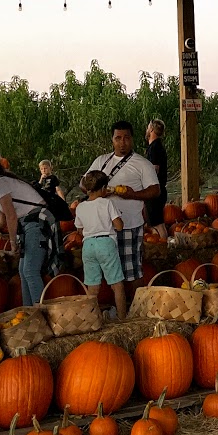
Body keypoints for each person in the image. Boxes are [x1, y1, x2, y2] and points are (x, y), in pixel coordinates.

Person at [86, 122, 162, 290]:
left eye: (126, 138)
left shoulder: (142, 163)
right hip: (102, 227)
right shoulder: (101, 161)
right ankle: (116, 303)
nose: (122, 142)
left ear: (132, 139)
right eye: (118, 138)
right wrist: (98, 192)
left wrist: (132, 194)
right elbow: (83, 184)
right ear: (112, 140)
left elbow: (155, 190)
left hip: (129, 225)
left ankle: (136, 303)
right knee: (107, 272)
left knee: (132, 270)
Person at [0, 157, 55, 307]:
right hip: (29, 223)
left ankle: (40, 312)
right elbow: (1, 222)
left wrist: (13, 242)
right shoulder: (2, 181)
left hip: (36, 221)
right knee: (23, 270)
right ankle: (29, 311)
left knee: (30, 270)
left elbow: (11, 216)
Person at [72, 170, 127, 320]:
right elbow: (119, 226)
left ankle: (92, 319)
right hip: (105, 243)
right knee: (117, 285)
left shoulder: (80, 207)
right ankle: (122, 319)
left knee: (92, 287)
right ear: (103, 188)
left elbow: (80, 230)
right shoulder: (107, 203)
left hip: (88, 245)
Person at [143, 119, 168, 198]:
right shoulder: (157, 146)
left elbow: (154, 170)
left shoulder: (154, 147)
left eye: (148, 128)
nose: (147, 130)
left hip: (154, 193)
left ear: (151, 129)